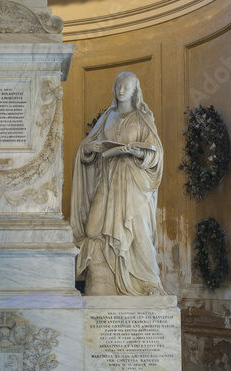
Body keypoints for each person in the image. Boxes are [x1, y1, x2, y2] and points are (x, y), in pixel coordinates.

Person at [71, 72, 166, 296]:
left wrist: (139, 153)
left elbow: (156, 153)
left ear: (135, 91)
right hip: (108, 178)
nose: (121, 89)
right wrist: (88, 149)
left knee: (138, 231)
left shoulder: (143, 118)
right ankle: (103, 284)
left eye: (126, 86)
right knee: (93, 229)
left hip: (134, 183)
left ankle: (148, 283)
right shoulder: (107, 117)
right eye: (118, 85)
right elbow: (86, 146)